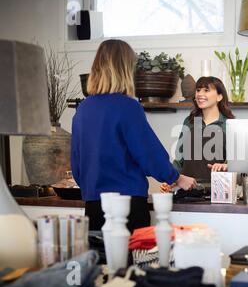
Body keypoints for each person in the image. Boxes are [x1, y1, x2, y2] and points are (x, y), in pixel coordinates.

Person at [71, 39, 197, 232]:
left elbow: (77, 165)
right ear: (124, 69)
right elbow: (148, 154)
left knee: (100, 262)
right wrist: (177, 178)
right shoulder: (128, 107)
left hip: (94, 208)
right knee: (132, 262)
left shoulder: (83, 109)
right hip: (128, 207)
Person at [160, 76, 235, 193]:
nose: (200, 94)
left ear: (219, 96)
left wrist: (227, 166)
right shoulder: (189, 122)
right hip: (187, 190)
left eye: (206, 90)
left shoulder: (229, 125)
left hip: (217, 191)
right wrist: (171, 179)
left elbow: (236, 161)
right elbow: (180, 160)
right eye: (198, 90)